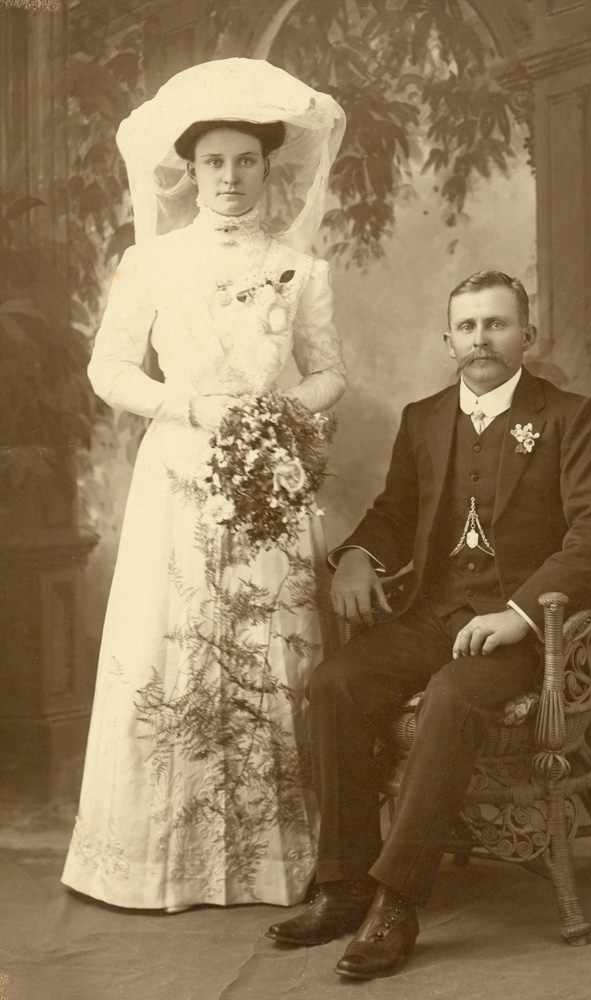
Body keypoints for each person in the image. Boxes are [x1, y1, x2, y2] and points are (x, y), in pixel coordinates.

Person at [267, 269, 591, 977]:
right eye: (467, 326)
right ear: (448, 340)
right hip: (435, 614)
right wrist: (356, 558)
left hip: (527, 632)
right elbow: (395, 513)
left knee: (453, 696)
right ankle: (343, 886)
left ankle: (396, 902)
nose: (480, 339)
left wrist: (520, 614)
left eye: (496, 324)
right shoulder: (425, 417)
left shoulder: (567, 416)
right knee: (336, 683)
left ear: (527, 334)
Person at [61, 59, 346, 911]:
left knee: (268, 648)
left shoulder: (300, 268)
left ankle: (270, 862)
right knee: (173, 645)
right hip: (177, 477)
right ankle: (157, 865)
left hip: (267, 478)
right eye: (213, 162)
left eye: (245, 161)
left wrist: (277, 414)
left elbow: (330, 373)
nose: (229, 177)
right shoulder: (151, 262)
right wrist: (186, 405)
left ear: (268, 167)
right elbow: (109, 368)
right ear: (189, 171)